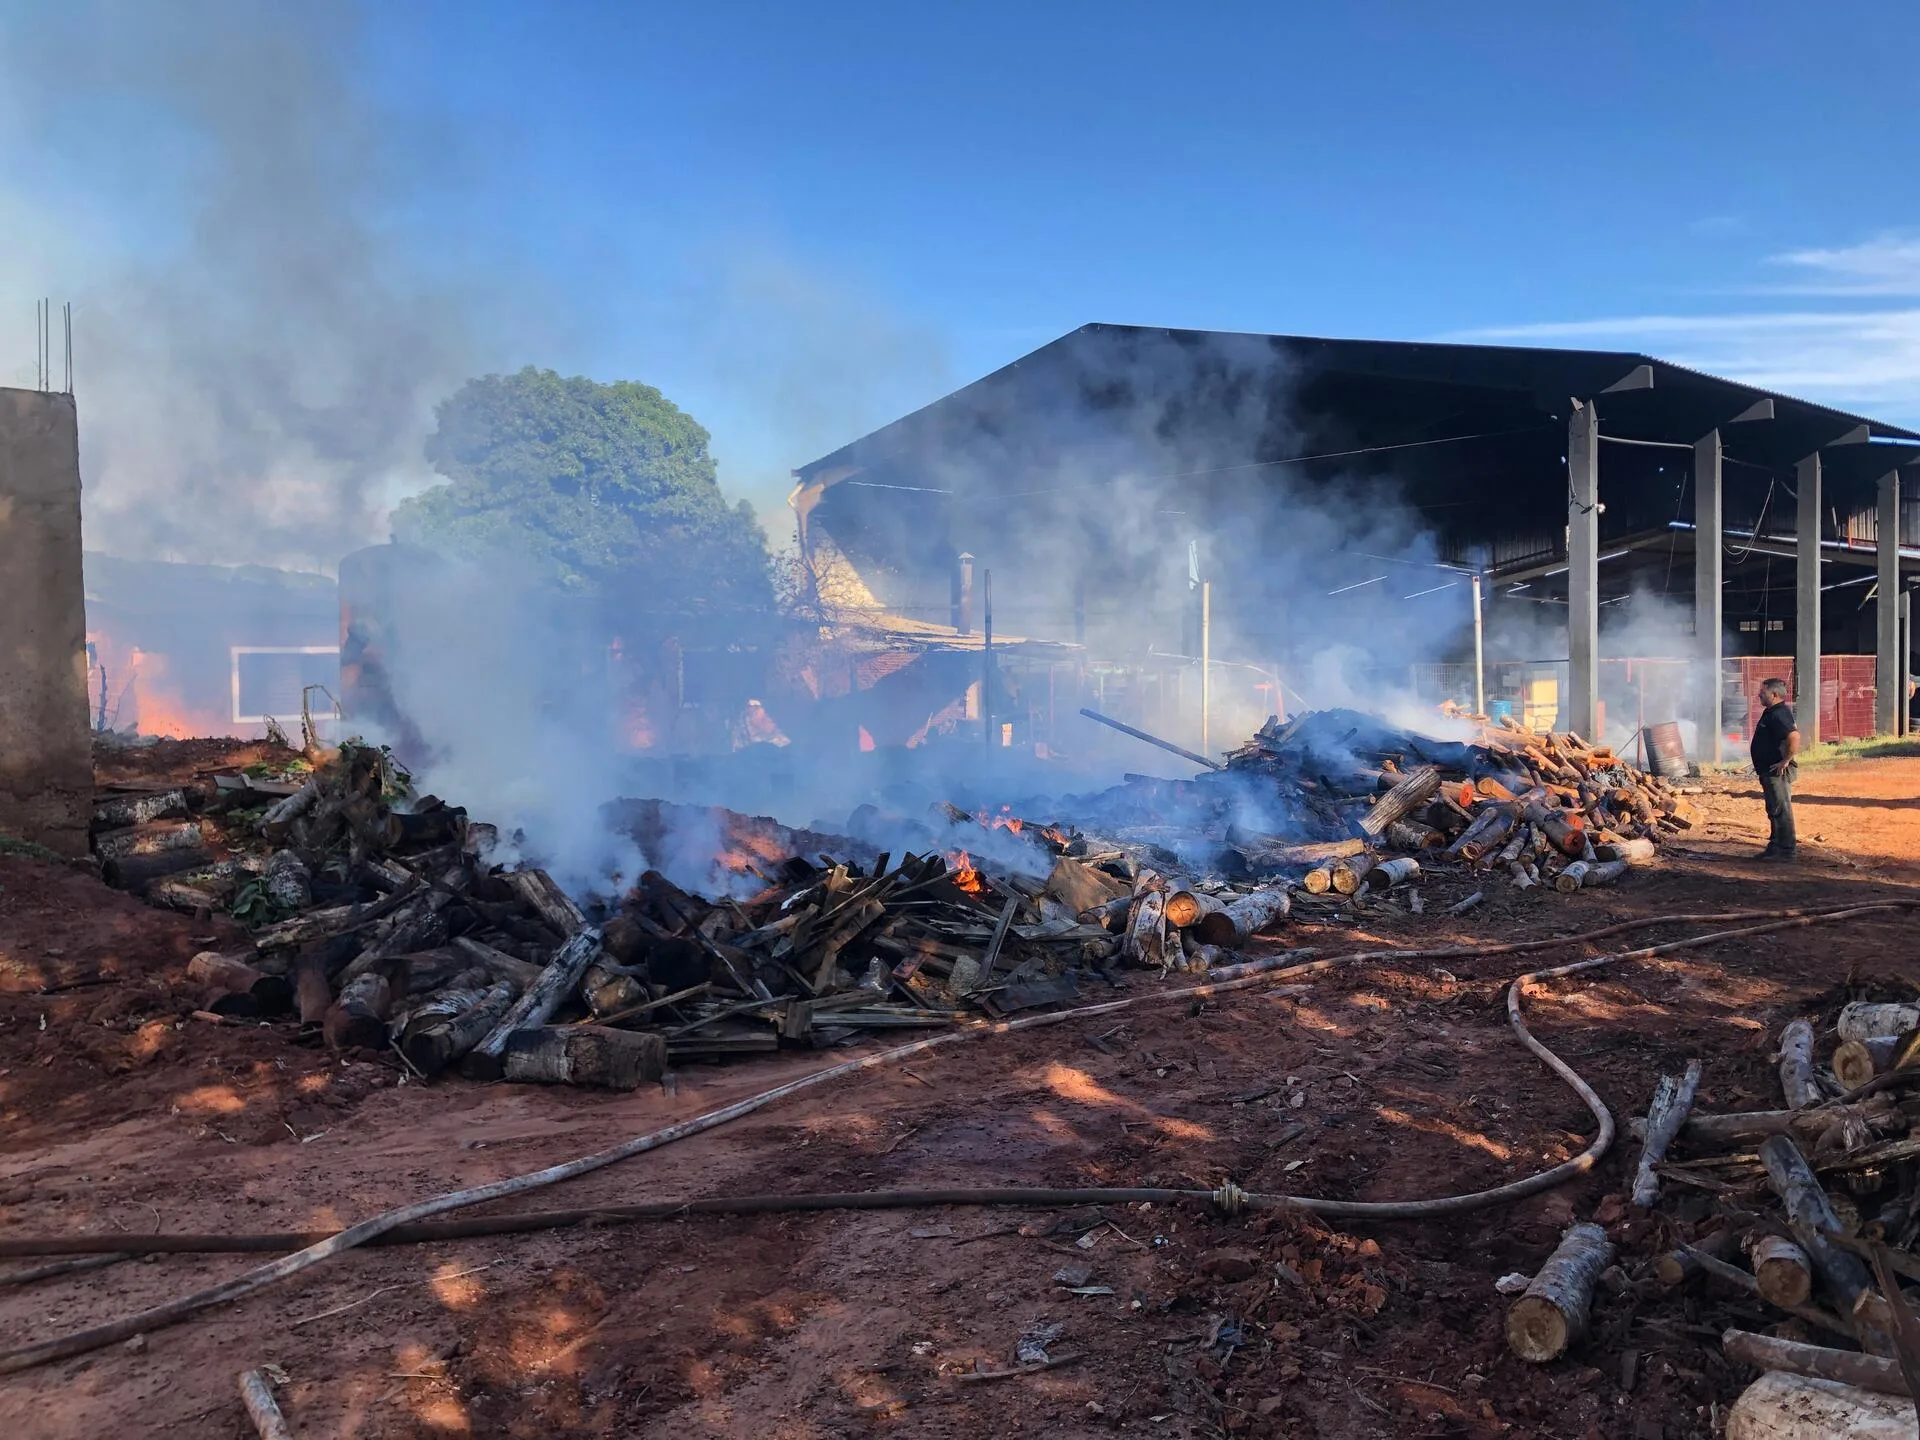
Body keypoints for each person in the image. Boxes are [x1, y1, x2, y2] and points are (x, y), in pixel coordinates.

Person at [1749, 678, 1800, 861]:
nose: (1759, 695)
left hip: (1776, 771)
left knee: (1781, 809)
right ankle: (1775, 846)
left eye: (1762, 692)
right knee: (1773, 809)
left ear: (1774, 694)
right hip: (1768, 770)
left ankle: (1787, 852)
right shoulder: (1770, 712)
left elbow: (1794, 737)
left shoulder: (1780, 713)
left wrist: (1786, 760)